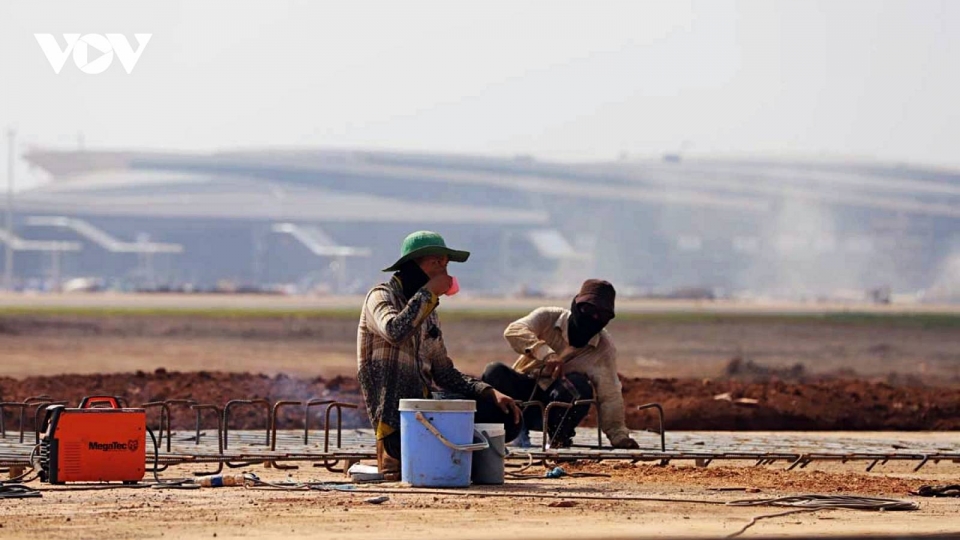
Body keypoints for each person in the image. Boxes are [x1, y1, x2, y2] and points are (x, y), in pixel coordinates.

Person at [357, 230, 522, 479]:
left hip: (425, 404)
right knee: (409, 439)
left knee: (502, 415)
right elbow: (394, 331)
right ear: (413, 266)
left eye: (445, 264)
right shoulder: (381, 296)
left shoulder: (429, 313)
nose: (443, 270)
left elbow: (444, 372)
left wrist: (489, 392)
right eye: (436, 263)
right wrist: (428, 292)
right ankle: (394, 456)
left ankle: (456, 458)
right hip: (394, 412)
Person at [482, 279, 640, 449]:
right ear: (576, 305)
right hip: (520, 399)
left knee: (580, 386)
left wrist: (619, 436)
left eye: (602, 315)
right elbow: (514, 331)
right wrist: (545, 353)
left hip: (557, 405)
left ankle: (558, 439)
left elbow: (610, 395)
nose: (594, 318)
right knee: (494, 372)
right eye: (588, 310)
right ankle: (503, 432)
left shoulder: (603, 348)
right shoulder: (548, 317)